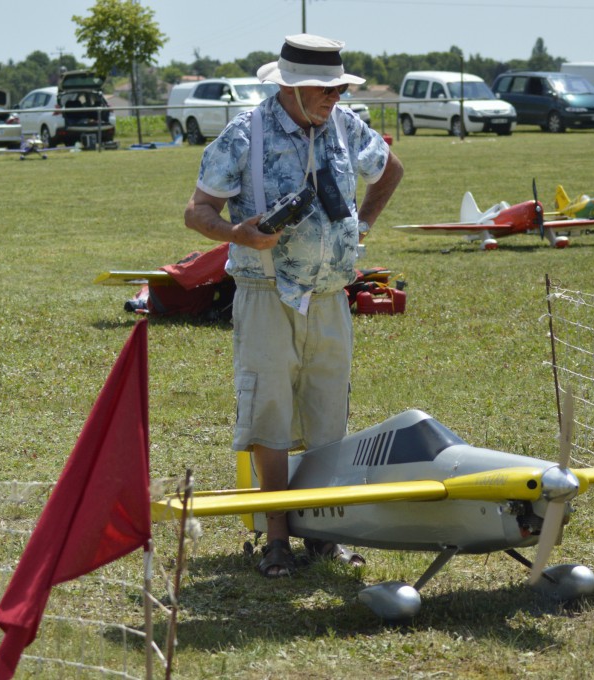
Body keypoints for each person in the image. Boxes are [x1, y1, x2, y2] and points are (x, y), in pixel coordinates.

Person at [184, 33, 403, 577]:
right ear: (289, 87)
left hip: (331, 296)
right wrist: (238, 232)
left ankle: (324, 535)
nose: (335, 96)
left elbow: (390, 170)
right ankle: (277, 538)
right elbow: (196, 211)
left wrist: (364, 222)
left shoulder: (346, 126)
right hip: (263, 294)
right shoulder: (244, 135)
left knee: (329, 414)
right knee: (270, 414)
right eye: (324, 88)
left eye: (339, 87)